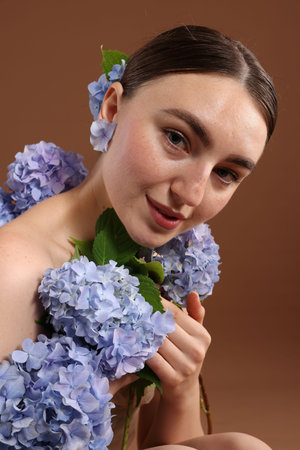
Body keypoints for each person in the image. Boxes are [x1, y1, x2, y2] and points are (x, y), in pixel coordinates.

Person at [0, 25, 277, 449]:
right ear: (111, 108)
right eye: (176, 139)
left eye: (226, 173)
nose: (192, 194)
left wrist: (181, 385)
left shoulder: (157, 264)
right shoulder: (12, 272)